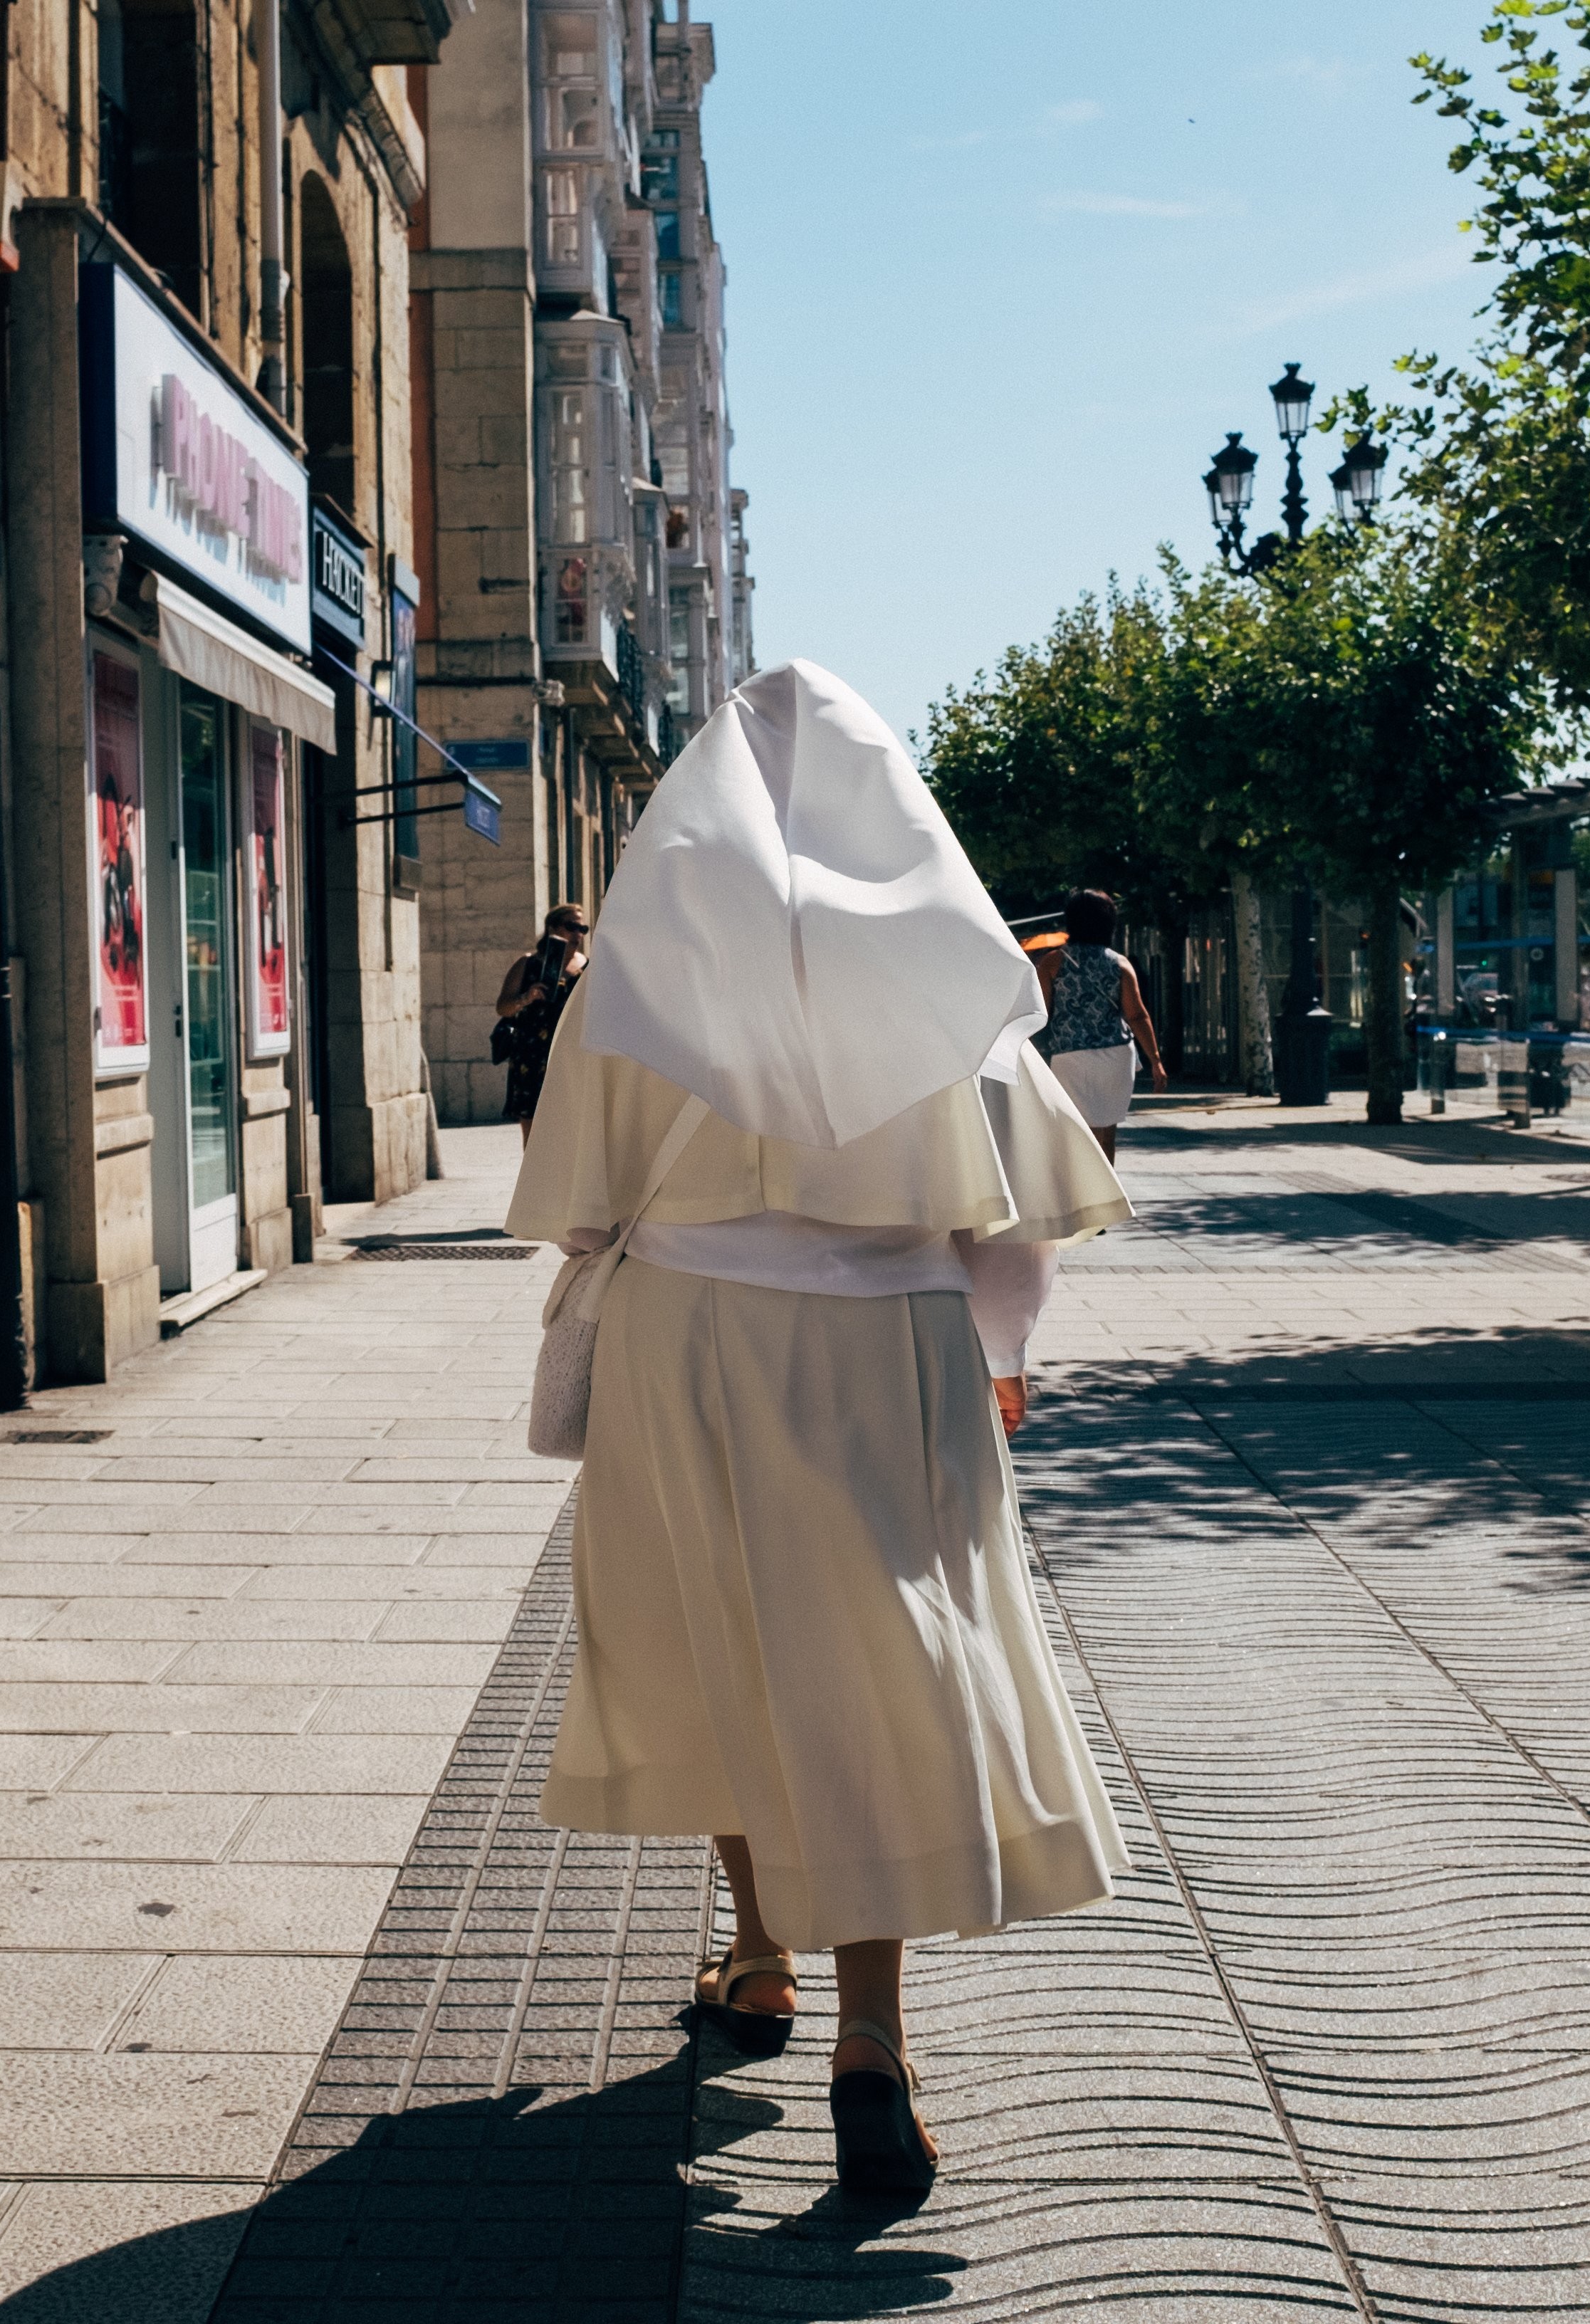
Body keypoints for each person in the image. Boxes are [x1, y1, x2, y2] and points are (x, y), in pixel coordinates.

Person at [508, 659, 1134, 2196]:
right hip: (891, 1341)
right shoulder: (948, 969)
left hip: (687, 1337)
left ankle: (757, 1954)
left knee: (712, 1630)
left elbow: (576, 1202)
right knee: (878, 1656)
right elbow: (1018, 1222)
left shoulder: (636, 973)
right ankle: (874, 2037)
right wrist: (1000, 1361)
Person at [1032, 889, 1166, 1162]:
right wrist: (1155, 1060)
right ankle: (1109, 1197)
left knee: (1076, 1133)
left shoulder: (1052, 962)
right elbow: (1137, 1016)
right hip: (1116, 1056)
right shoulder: (1119, 963)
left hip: (1070, 1057)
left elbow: (1040, 1013)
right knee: (1107, 1134)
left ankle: (1085, 1195)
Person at [494, 904, 592, 1140]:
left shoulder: (587, 967)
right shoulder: (528, 964)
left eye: (582, 928)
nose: (577, 934)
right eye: (571, 927)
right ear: (552, 928)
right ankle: (534, 1177)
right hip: (532, 1055)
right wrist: (526, 998)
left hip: (572, 1055)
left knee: (572, 1128)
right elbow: (503, 1008)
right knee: (534, 1127)